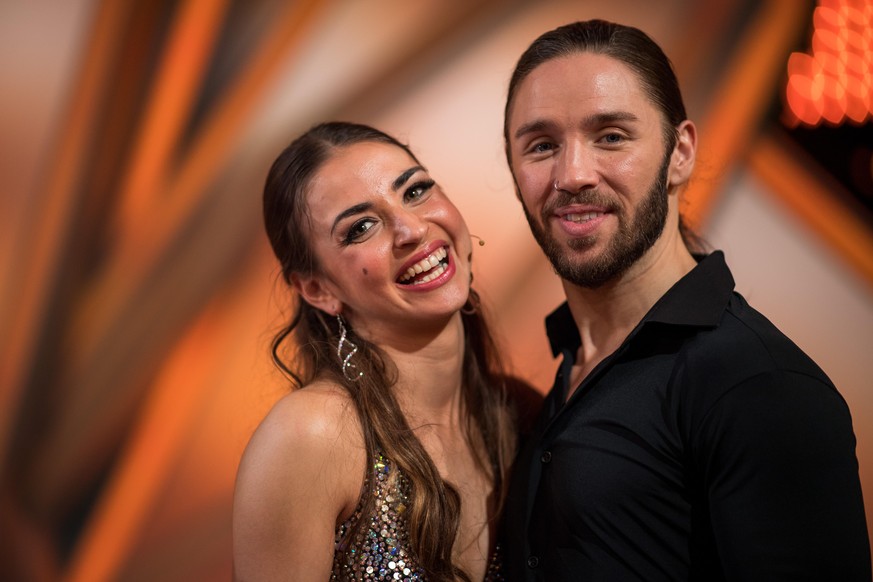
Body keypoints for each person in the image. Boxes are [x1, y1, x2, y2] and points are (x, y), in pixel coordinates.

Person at [500, 20, 870, 581]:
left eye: (611, 137)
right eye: (542, 146)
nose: (572, 174)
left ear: (680, 153)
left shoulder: (759, 385)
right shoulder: (573, 359)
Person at [233, 121, 534, 581]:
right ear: (318, 289)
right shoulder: (310, 437)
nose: (411, 229)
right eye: (361, 228)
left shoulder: (520, 413)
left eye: (415, 191)